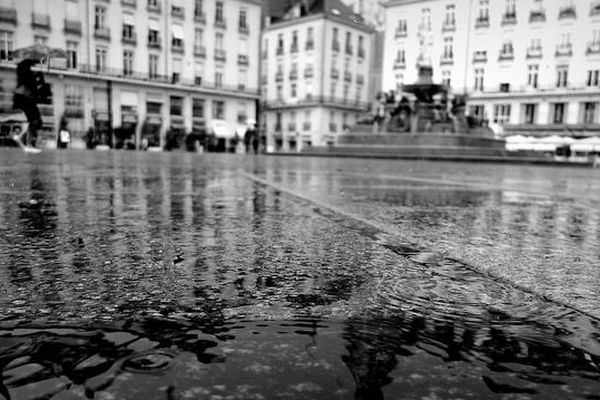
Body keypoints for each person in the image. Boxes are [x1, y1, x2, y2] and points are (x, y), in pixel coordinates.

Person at [12, 59, 45, 147]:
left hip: (24, 100)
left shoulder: (24, 74)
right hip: (26, 100)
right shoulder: (27, 75)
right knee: (34, 121)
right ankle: (29, 141)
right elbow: (33, 90)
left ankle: (27, 140)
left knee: (32, 121)